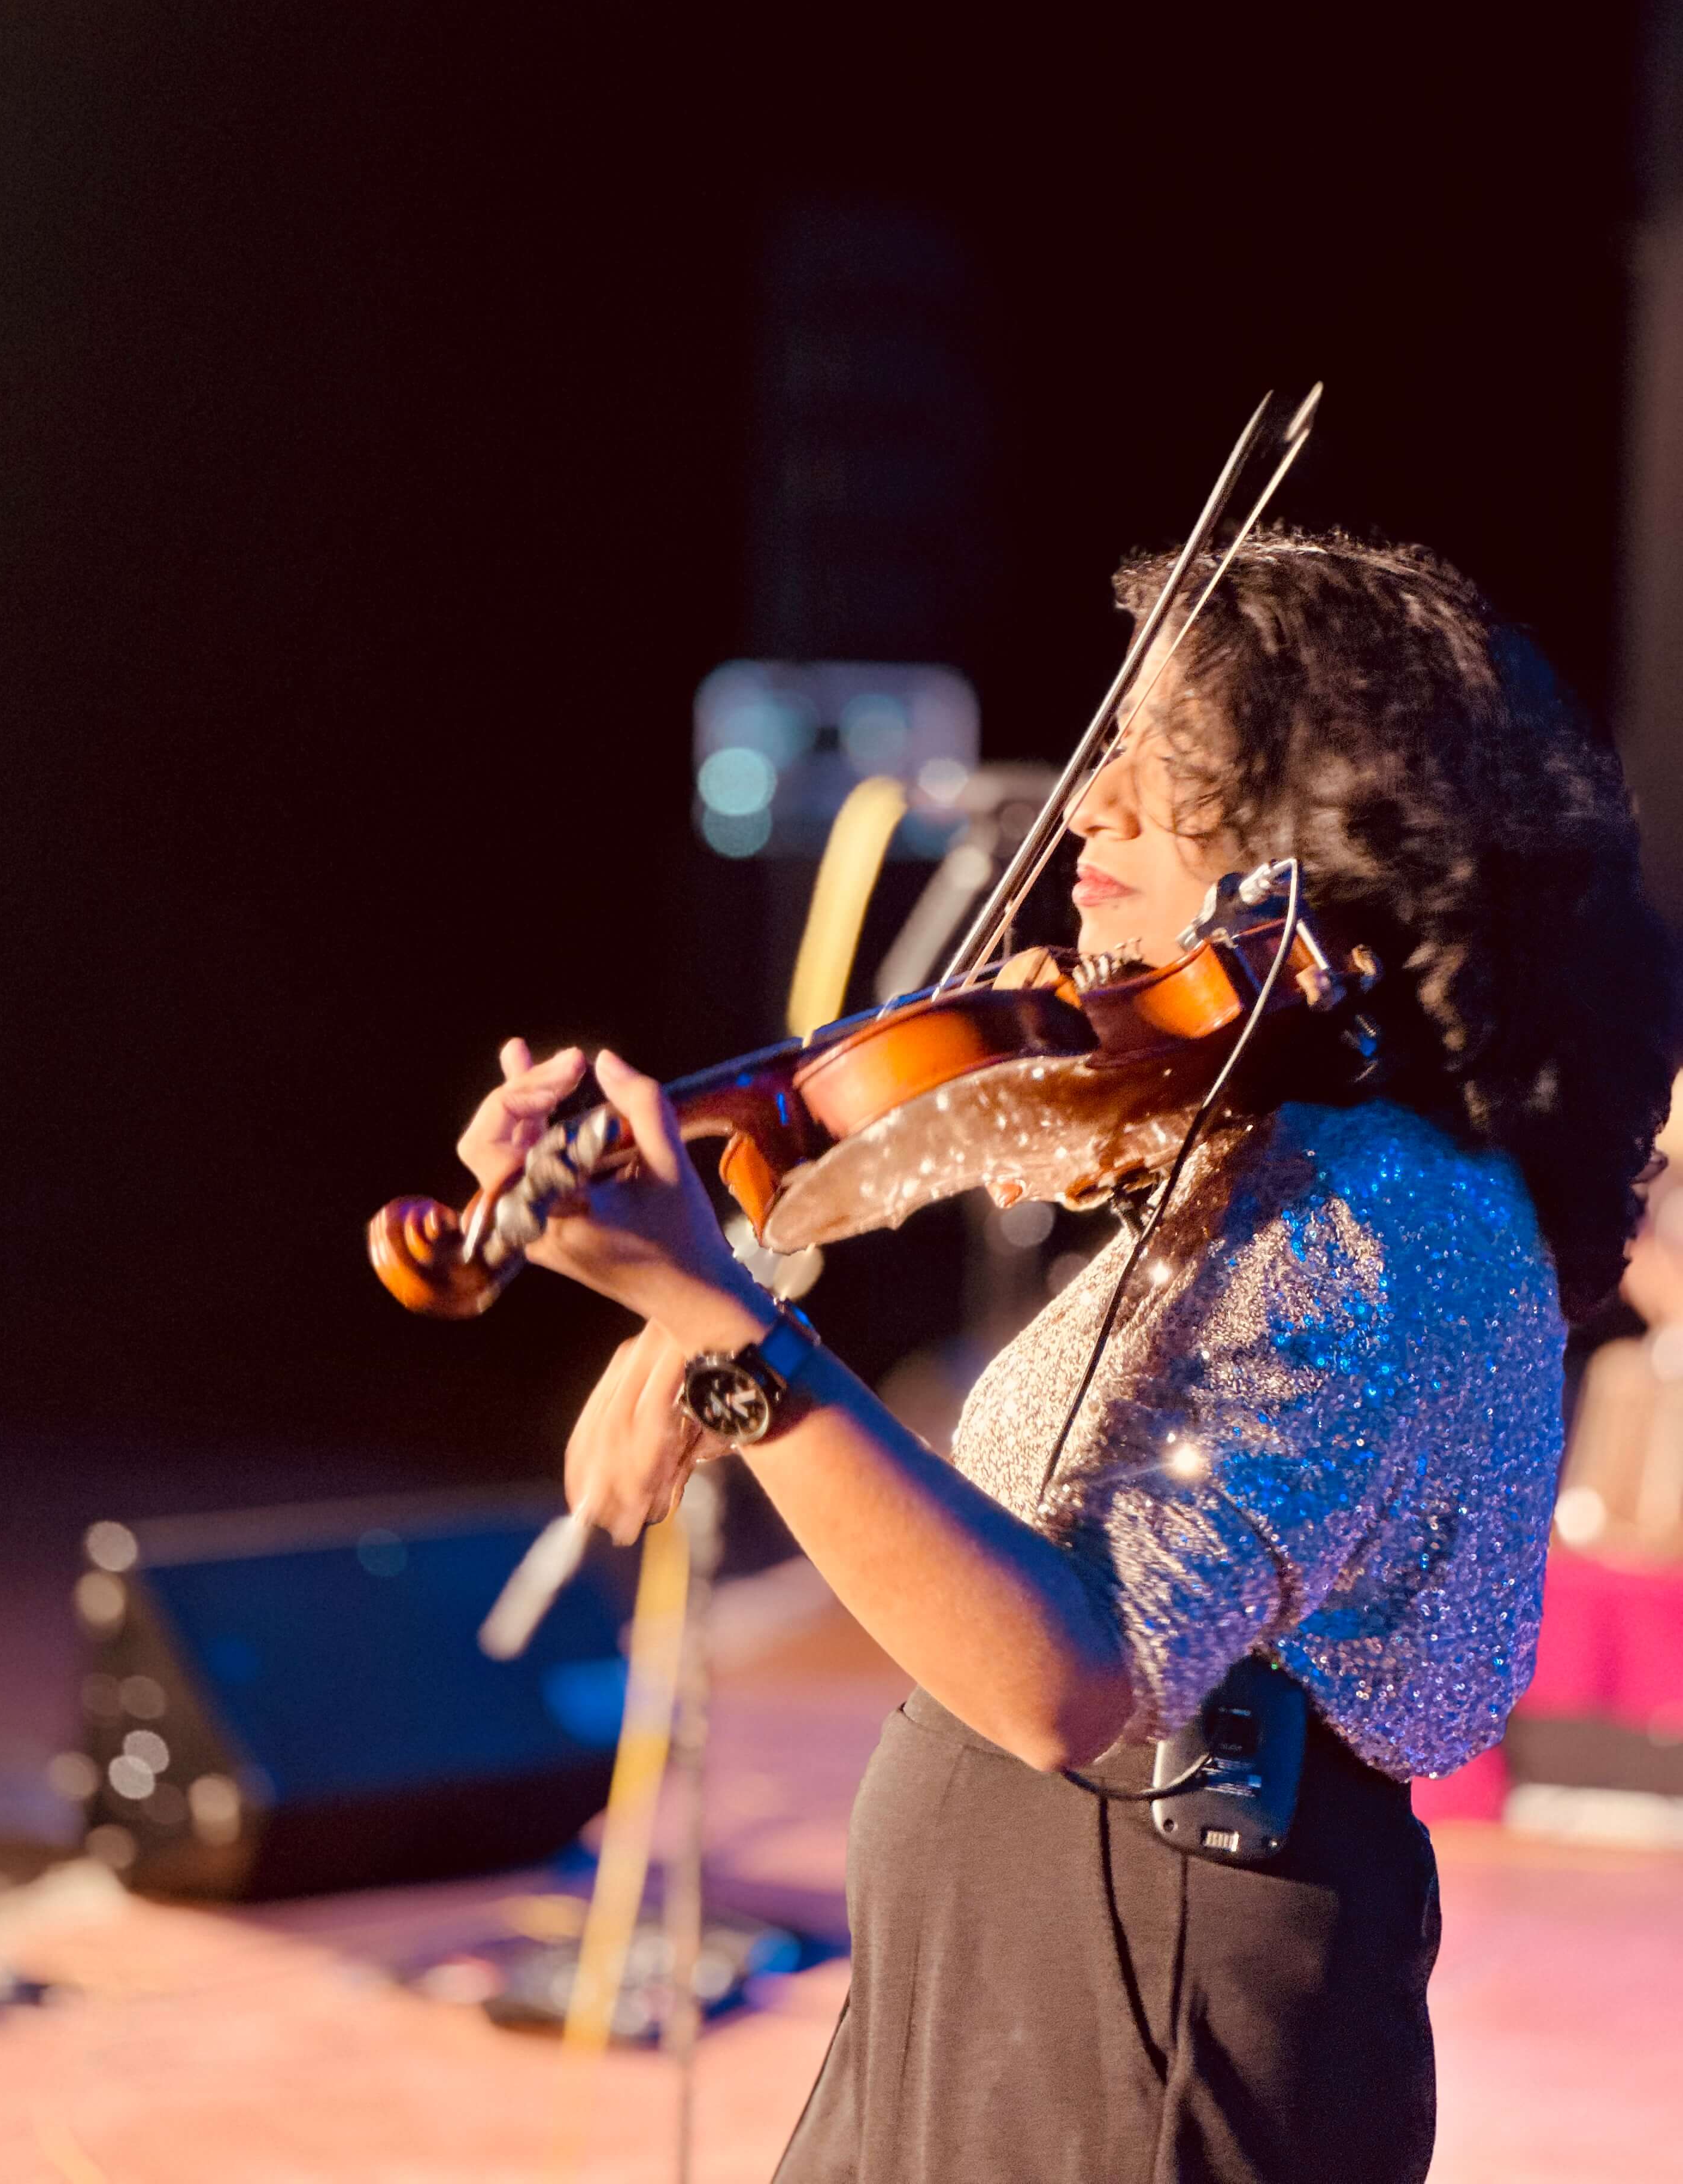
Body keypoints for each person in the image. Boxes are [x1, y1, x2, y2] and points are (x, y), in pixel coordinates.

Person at [457, 531, 1675, 2184]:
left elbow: (1067, 1675)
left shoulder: (1375, 1217)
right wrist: (711, 1264)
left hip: (1145, 2006)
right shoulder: (1260, 1159)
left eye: (1161, 763)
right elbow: (893, 1153)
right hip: (1026, 1977)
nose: (1090, 806)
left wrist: (739, 1341)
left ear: (1316, 824)